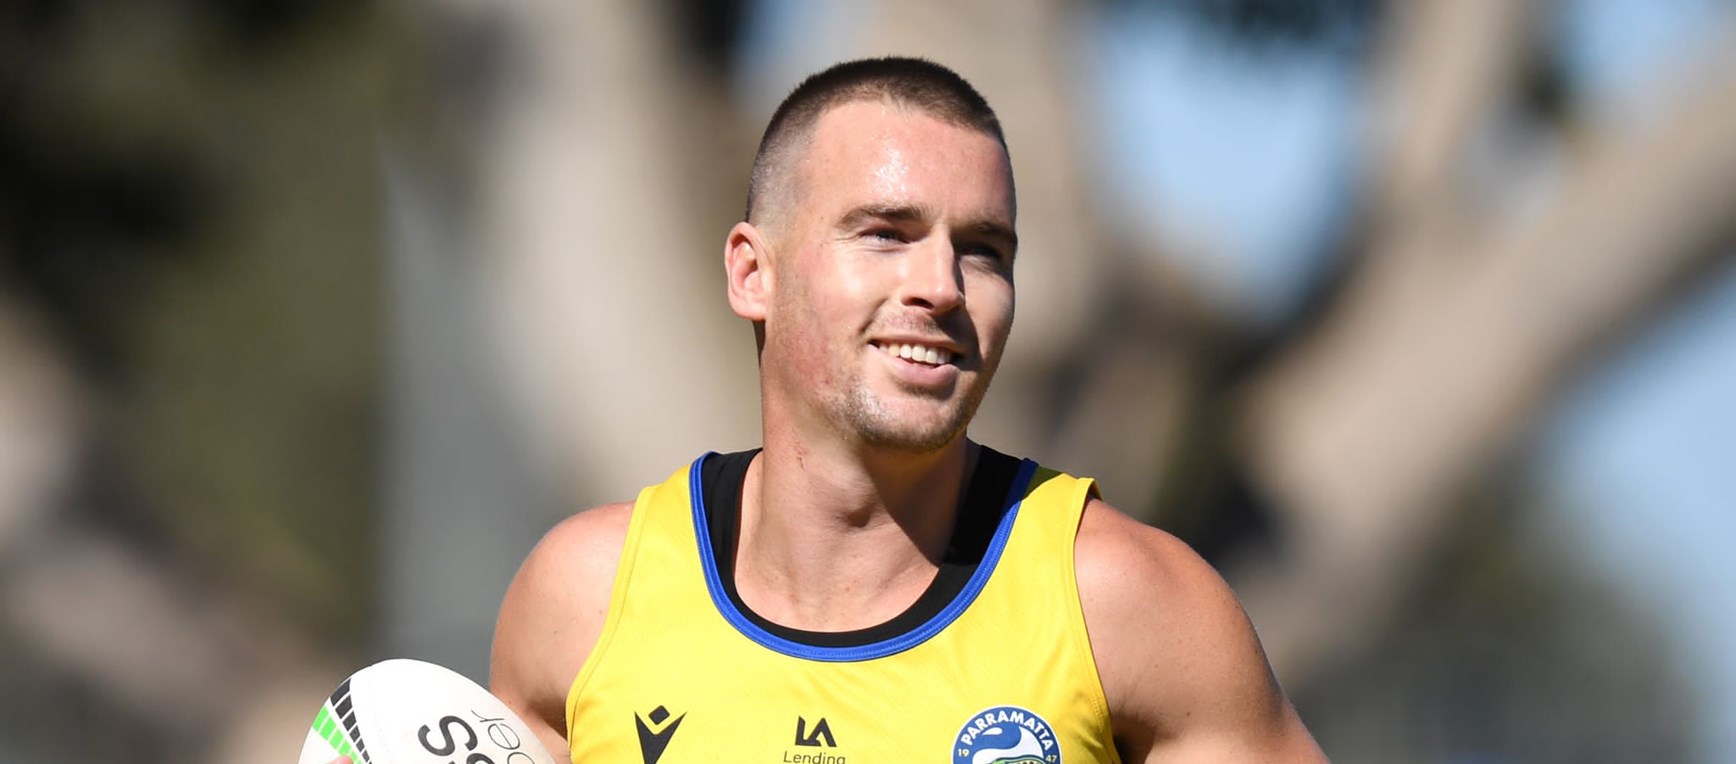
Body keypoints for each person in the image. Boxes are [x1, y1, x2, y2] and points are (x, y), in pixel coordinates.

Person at [489, 56, 1327, 763]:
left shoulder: (1123, 603)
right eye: (886, 233)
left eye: (983, 251)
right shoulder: (583, 599)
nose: (942, 287)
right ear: (753, 274)